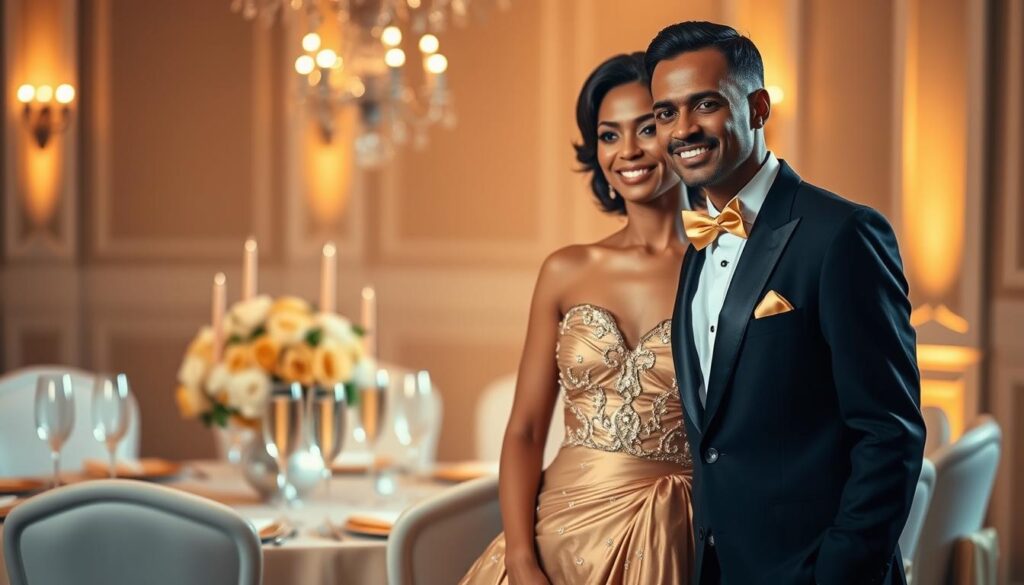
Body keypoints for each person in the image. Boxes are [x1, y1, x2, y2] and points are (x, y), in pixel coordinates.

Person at [645, 21, 926, 585]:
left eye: (704, 104)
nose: (683, 129)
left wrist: (836, 572)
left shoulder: (843, 234)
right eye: (665, 113)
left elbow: (889, 434)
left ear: (757, 108)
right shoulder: (697, 246)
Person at [460, 52, 695, 585]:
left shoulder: (724, 270)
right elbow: (523, 430)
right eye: (609, 136)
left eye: (647, 129)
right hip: (554, 539)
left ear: (679, 135)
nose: (628, 151)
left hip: (672, 536)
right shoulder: (566, 270)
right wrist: (521, 559)